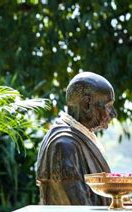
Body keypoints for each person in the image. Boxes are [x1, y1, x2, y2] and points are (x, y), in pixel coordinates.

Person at [36, 72, 116, 205]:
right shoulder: (64, 145)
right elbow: (80, 211)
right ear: (86, 104)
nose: (113, 113)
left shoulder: (77, 138)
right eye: (108, 106)